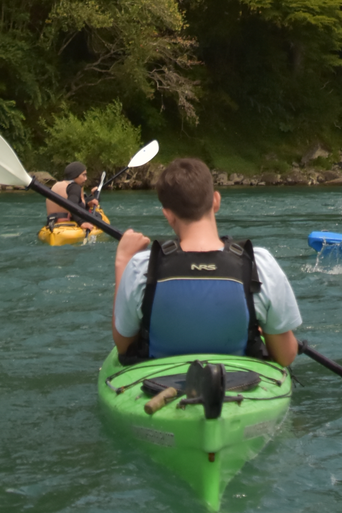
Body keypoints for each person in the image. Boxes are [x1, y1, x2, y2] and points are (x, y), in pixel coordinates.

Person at [111, 157, 301, 367]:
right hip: (238, 385)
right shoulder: (259, 264)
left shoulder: (141, 267)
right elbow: (286, 355)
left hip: (159, 385)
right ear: (216, 201)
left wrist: (123, 261)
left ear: (168, 215)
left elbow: (124, 346)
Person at [45, 161, 100, 233]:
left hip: (52, 223)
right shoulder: (74, 187)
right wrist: (81, 222)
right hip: (68, 224)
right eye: (84, 175)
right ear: (75, 175)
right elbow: (71, 205)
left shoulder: (56, 185)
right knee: (98, 216)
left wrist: (87, 203)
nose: (86, 178)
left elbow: (69, 202)